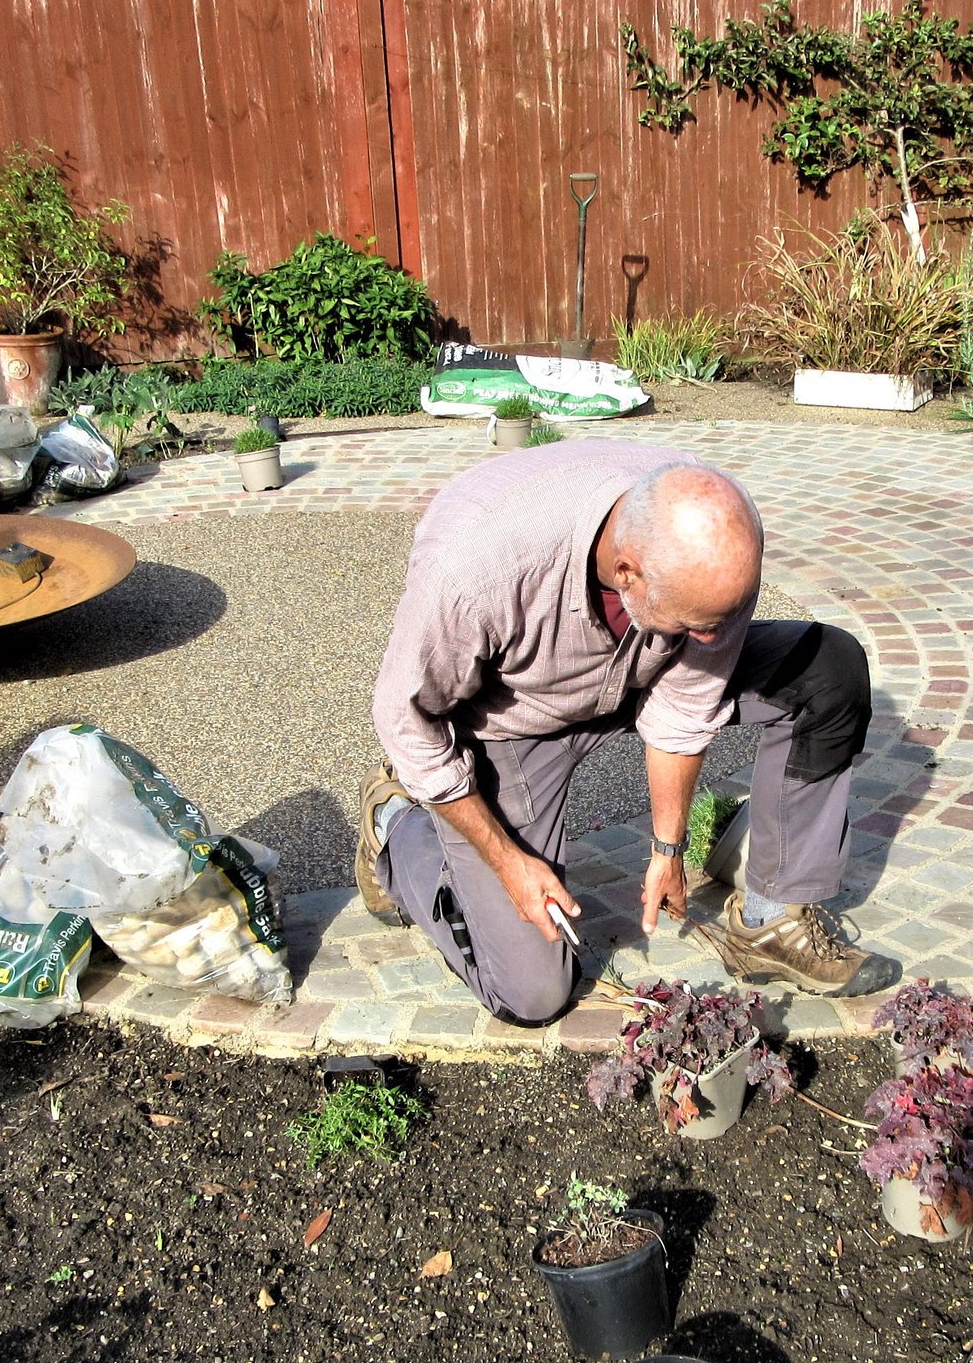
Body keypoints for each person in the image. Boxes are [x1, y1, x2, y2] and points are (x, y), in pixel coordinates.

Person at [359, 440, 895, 1027]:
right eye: (696, 625)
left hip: (641, 673)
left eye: (720, 621)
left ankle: (771, 918)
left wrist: (669, 850)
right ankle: (397, 826)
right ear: (626, 573)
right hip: (510, 721)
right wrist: (508, 861)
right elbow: (404, 719)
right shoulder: (473, 572)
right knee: (533, 994)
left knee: (829, 671)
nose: (715, 640)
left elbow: (685, 708)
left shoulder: (717, 541)